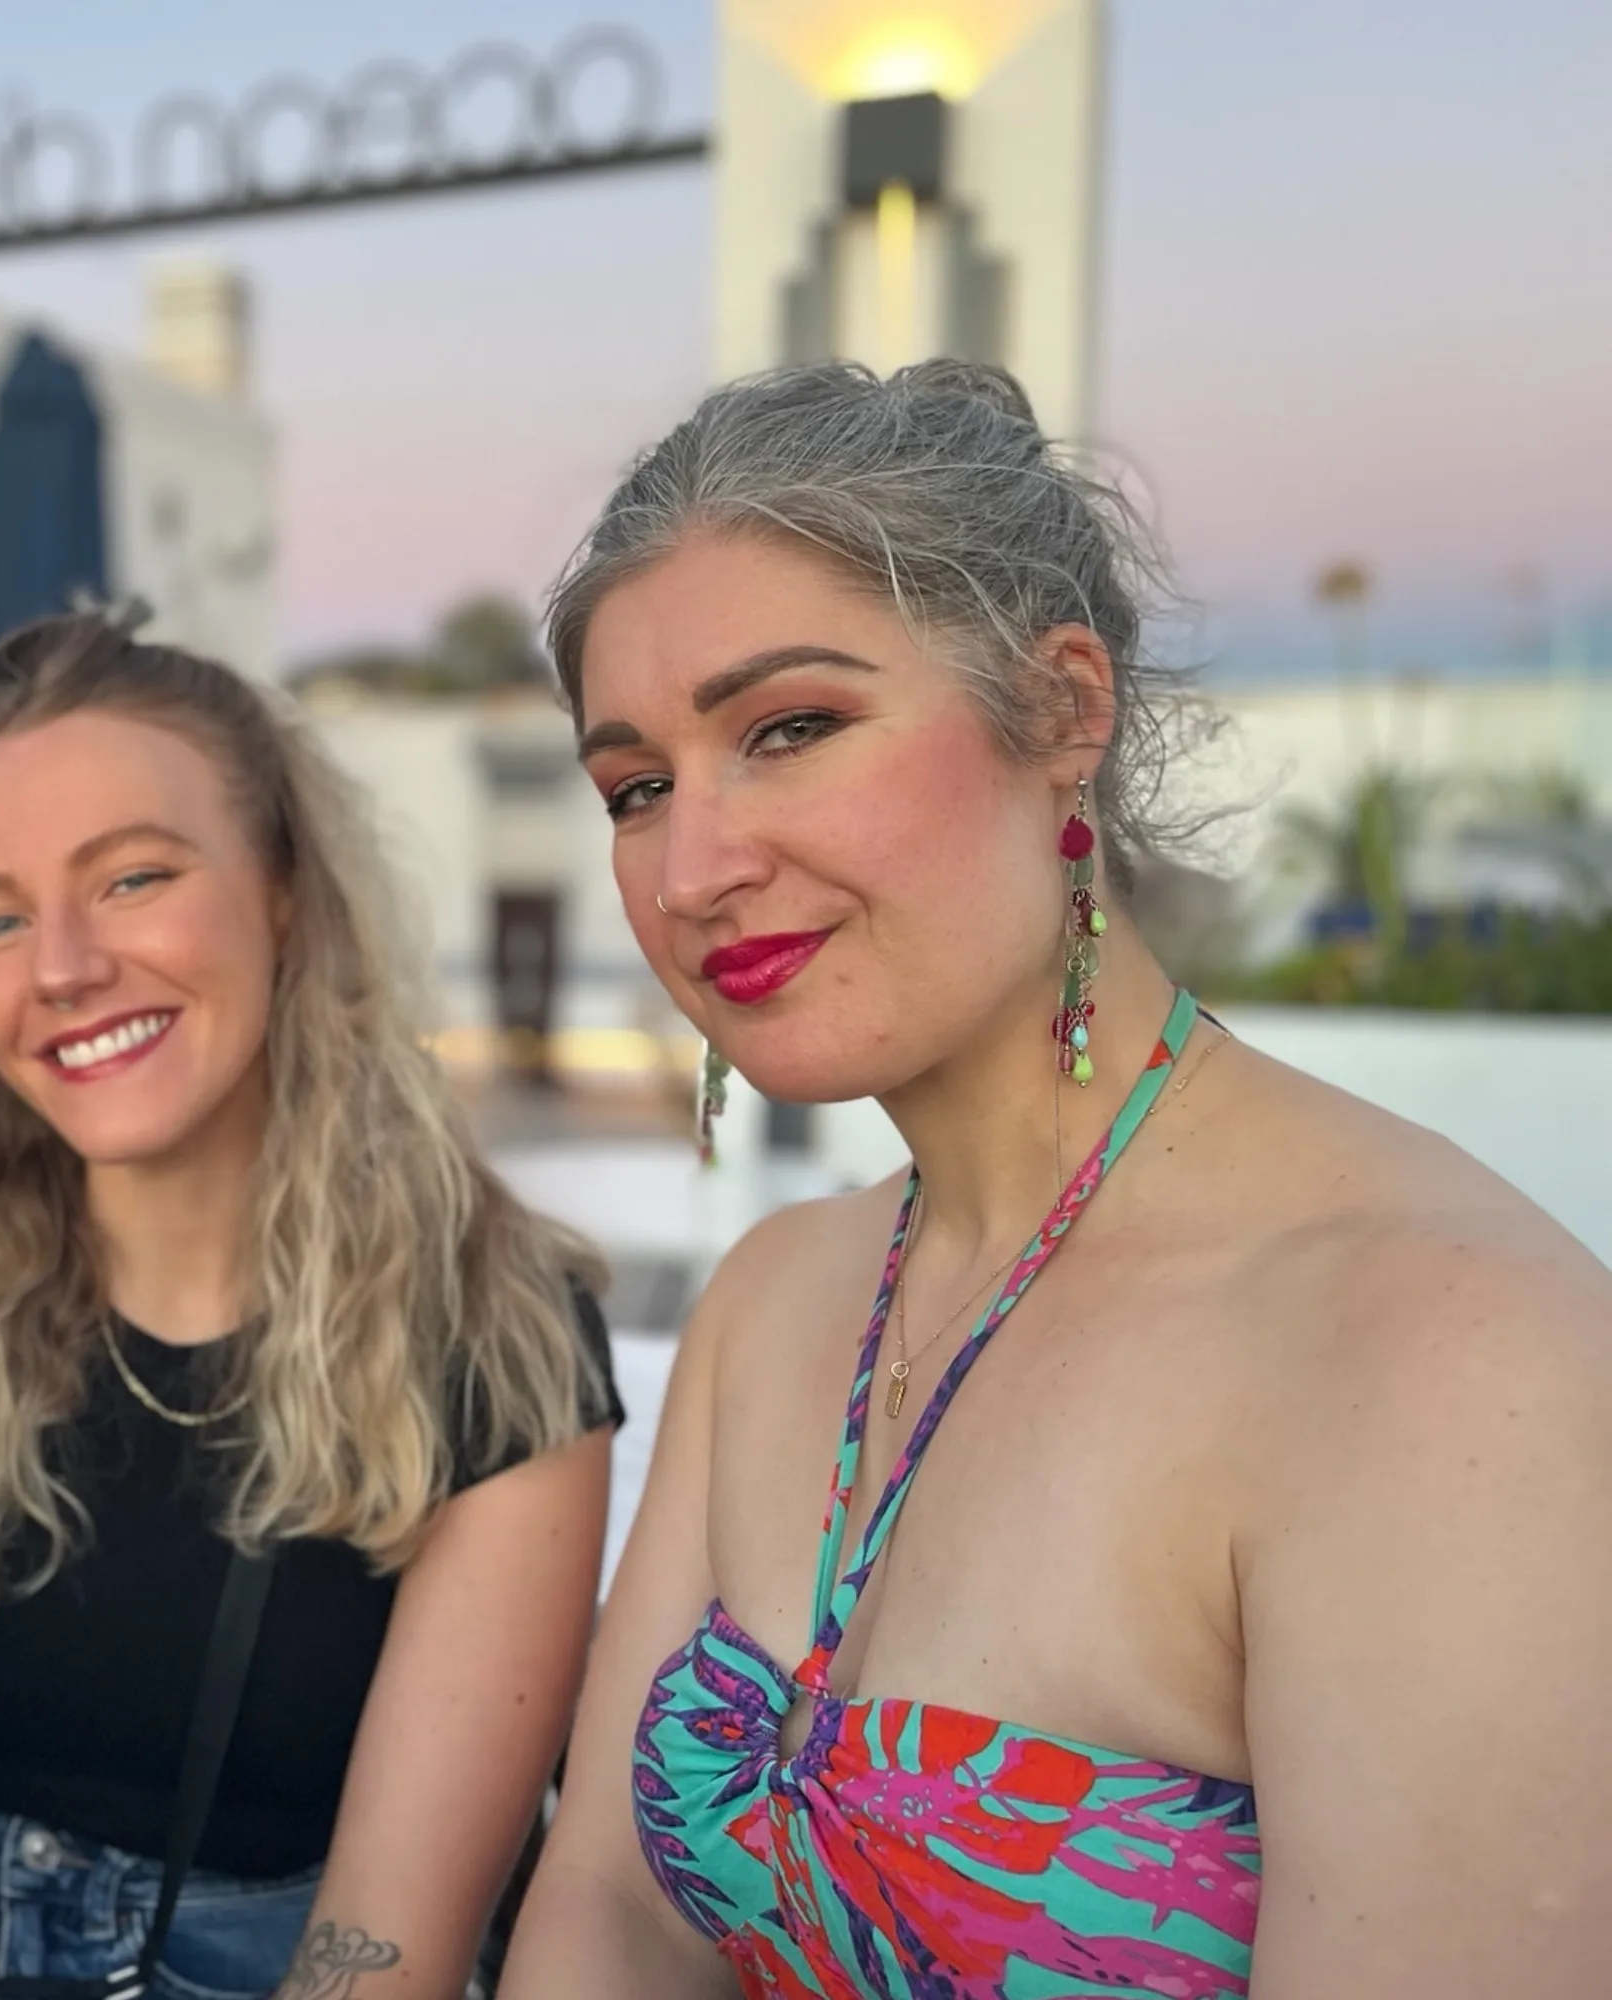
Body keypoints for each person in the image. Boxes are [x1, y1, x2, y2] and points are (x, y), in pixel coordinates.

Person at [500, 360, 1612, 1999]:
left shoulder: (1442, 1357)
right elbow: (609, 1912)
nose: (691, 867)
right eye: (638, 787)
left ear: (1065, 710)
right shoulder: (778, 1298)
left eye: (789, 729)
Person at [0, 612, 623, 2000]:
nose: (61, 967)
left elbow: (378, 1966)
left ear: (282, 888)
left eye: (133, 877)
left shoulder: (498, 1338)